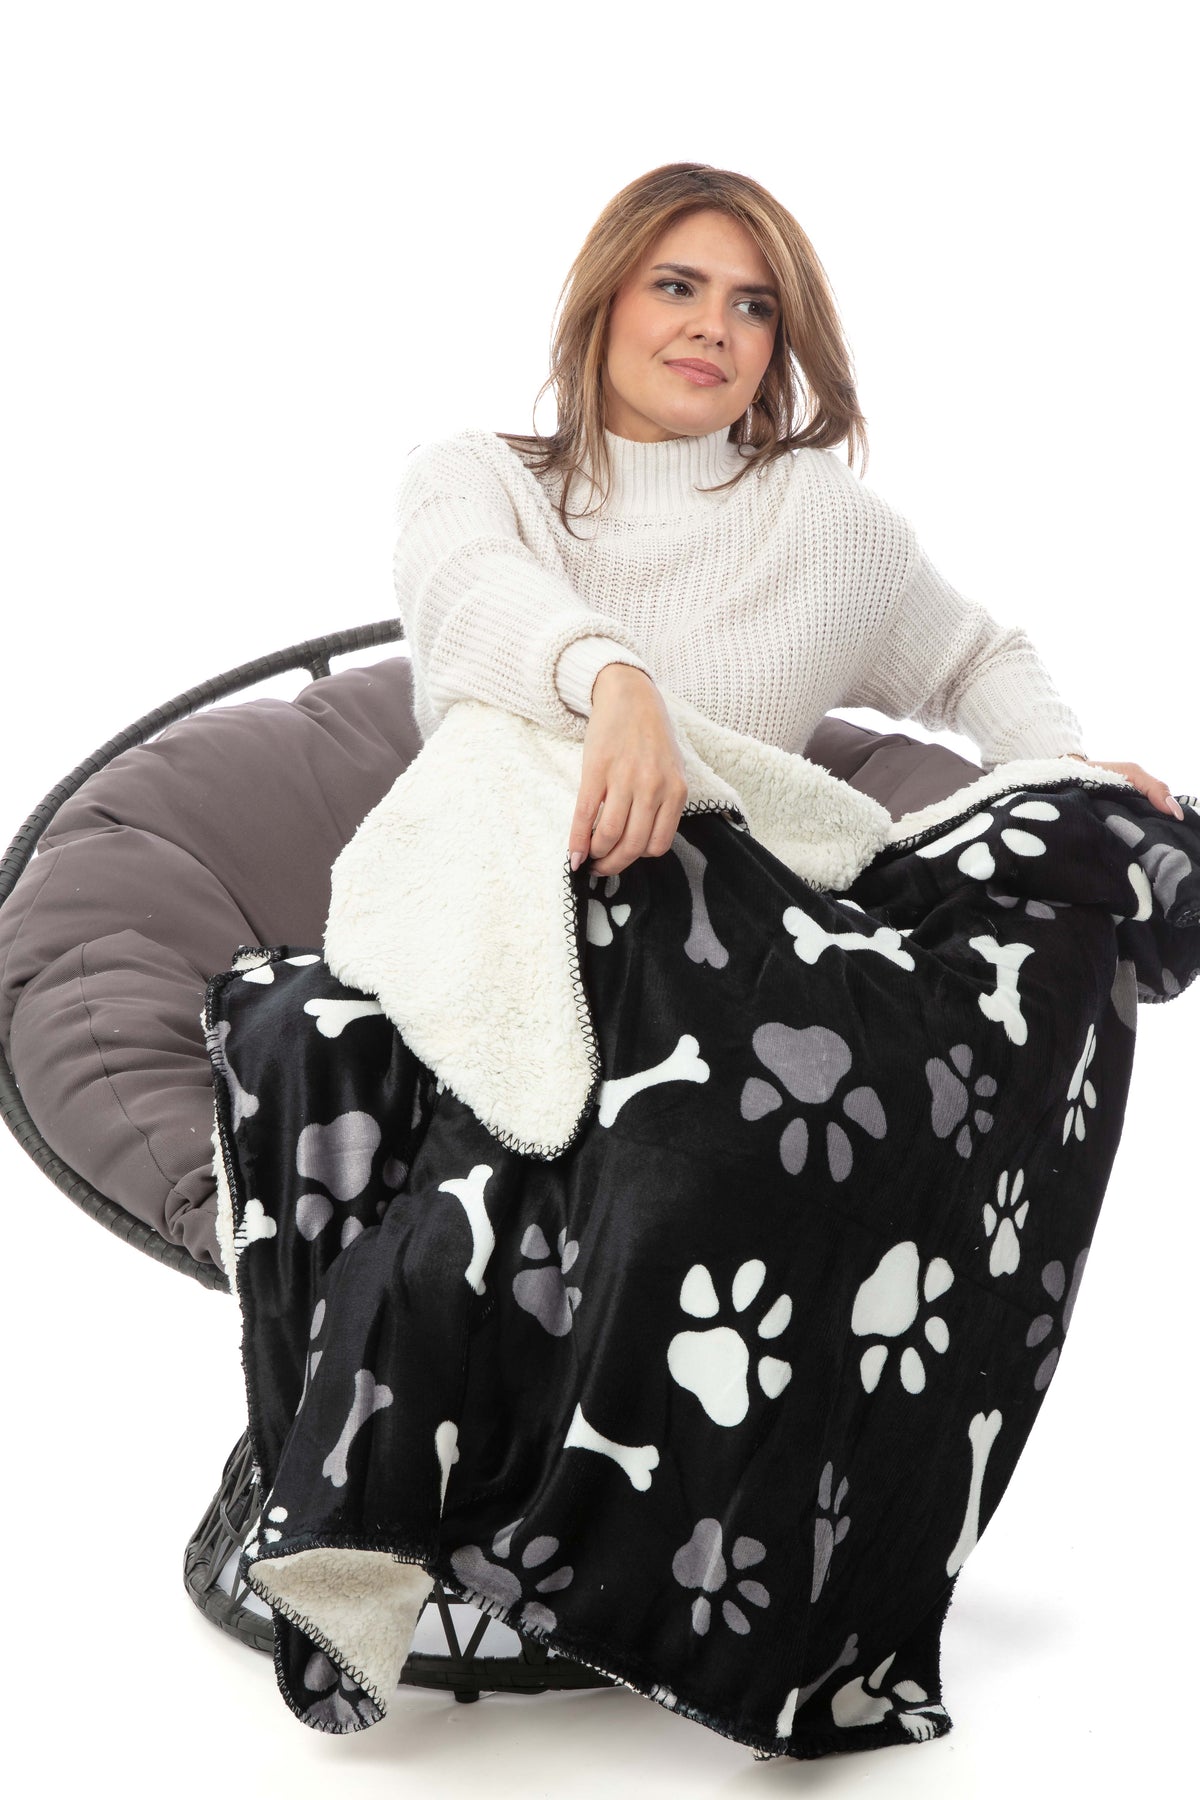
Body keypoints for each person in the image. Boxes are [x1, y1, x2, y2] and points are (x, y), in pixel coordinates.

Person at [391, 161, 1182, 882]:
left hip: (730, 941)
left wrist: (1063, 770)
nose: (714, 326)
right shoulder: (472, 475)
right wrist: (616, 683)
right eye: (676, 287)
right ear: (606, 299)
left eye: (753, 307)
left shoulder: (816, 515)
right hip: (501, 901)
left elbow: (974, 658)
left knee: (1094, 860)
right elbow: (474, 592)